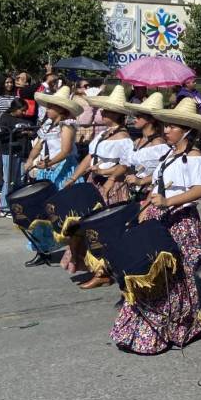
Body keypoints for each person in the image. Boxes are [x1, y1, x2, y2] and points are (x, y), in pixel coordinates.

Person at [111, 99, 201, 355]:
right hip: (159, 218)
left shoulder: (195, 158)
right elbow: (160, 183)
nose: (166, 130)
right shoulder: (170, 154)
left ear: (187, 130)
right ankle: (151, 328)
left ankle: (184, 325)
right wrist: (145, 196)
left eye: (172, 127)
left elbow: (199, 190)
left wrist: (169, 201)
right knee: (156, 274)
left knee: (182, 276)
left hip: (181, 222)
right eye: (166, 126)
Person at [63, 87, 135, 288]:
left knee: (104, 229)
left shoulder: (124, 139)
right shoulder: (104, 134)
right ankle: (94, 267)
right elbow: (89, 157)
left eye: (106, 111)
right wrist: (74, 176)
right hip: (95, 183)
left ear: (115, 115)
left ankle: (104, 271)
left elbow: (127, 165)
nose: (101, 113)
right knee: (86, 226)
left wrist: (108, 174)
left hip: (112, 186)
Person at [22, 86, 82, 267]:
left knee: (65, 212)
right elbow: (39, 145)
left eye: (50, 107)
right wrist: (30, 159)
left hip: (63, 170)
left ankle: (75, 250)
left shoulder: (67, 126)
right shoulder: (48, 125)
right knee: (41, 212)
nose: (47, 109)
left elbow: (65, 151)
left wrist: (49, 163)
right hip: (47, 170)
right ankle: (42, 250)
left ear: (60, 109)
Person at [121, 93, 172, 199]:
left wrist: (141, 181)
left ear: (151, 120)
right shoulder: (138, 141)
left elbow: (162, 172)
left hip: (149, 193)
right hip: (134, 191)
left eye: (139, 116)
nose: (135, 119)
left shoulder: (158, 143)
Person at [0, 98, 34, 214]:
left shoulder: (26, 119)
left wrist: (30, 133)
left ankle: (17, 206)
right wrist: (18, 133)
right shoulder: (5, 118)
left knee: (21, 180)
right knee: (9, 180)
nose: (23, 113)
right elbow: (1, 135)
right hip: (10, 152)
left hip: (24, 152)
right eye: (22, 111)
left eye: (25, 111)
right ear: (15, 109)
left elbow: (34, 132)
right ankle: (4, 207)